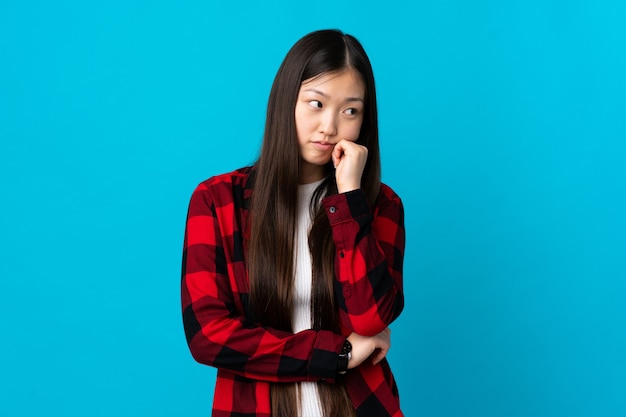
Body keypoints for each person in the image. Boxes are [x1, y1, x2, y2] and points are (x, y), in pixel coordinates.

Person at [181, 29, 405, 417]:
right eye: (316, 103)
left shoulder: (380, 205)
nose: (330, 127)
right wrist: (338, 354)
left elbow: (369, 317)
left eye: (350, 110)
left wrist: (350, 198)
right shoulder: (217, 201)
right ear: (286, 101)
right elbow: (208, 336)